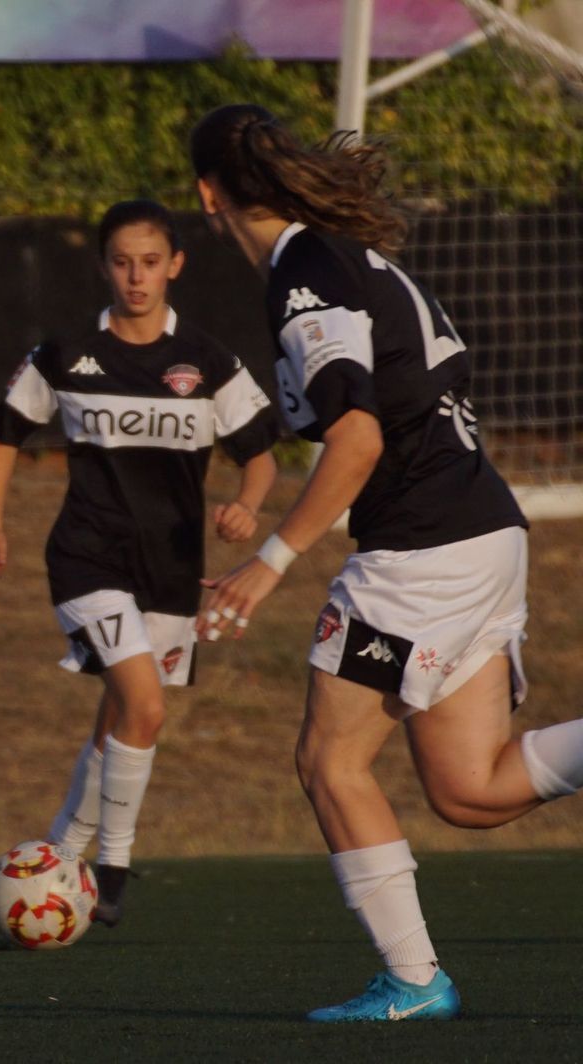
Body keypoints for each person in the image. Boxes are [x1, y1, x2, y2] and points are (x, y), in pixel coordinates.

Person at [189, 103, 583, 1022]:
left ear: (206, 195)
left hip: (425, 552)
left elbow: (357, 439)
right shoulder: (343, 259)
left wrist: (273, 559)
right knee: (470, 789)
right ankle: (415, 980)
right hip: (483, 534)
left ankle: (414, 981)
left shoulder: (305, 277)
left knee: (331, 761)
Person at [0, 199, 279, 926]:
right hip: (86, 557)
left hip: (171, 570)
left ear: (174, 264)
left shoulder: (208, 360)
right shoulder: (67, 353)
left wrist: (247, 504)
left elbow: (261, 455)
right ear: (103, 266)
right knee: (145, 705)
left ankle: (59, 853)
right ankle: (111, 866)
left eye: (150, 262)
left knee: (118, 721)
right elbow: (6, 431)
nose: (135, 277)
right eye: (121, 261)